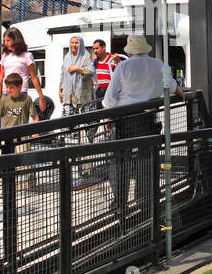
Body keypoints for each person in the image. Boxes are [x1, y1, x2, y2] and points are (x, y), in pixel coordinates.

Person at [103, 35, 185, 214]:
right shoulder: (158, 64)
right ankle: (145, 199)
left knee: (118, 160)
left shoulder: (123, 66)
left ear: (130, 51)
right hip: (148, 118)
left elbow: (109, 99)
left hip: (123, 119)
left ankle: (119, 204)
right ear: (146, 48)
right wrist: (180, 92)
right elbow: (170, 85)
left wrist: (107, 117)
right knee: (146, 159)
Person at [0, 27, 46, 108]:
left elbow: (33, 77)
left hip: (20, 92)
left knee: (20, 119)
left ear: (16, 40)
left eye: (8, 40)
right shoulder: (5, 56)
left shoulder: (27, 56)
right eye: (4, 41)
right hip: (6, 91)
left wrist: (41, 97)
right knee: (5, 120)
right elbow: (1, 76)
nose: (5, 43)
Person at [58, 35, 95, 115]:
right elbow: (63, 74)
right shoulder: (67, 57)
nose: (74, 45)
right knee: (68, 122)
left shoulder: (85, 56)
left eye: (76, 43)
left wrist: (77, 68)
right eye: (72, 42)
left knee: (85, 122)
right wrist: (60, 89)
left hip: (83, 96)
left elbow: (91, 72)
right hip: (69, 96)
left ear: (81, 44)